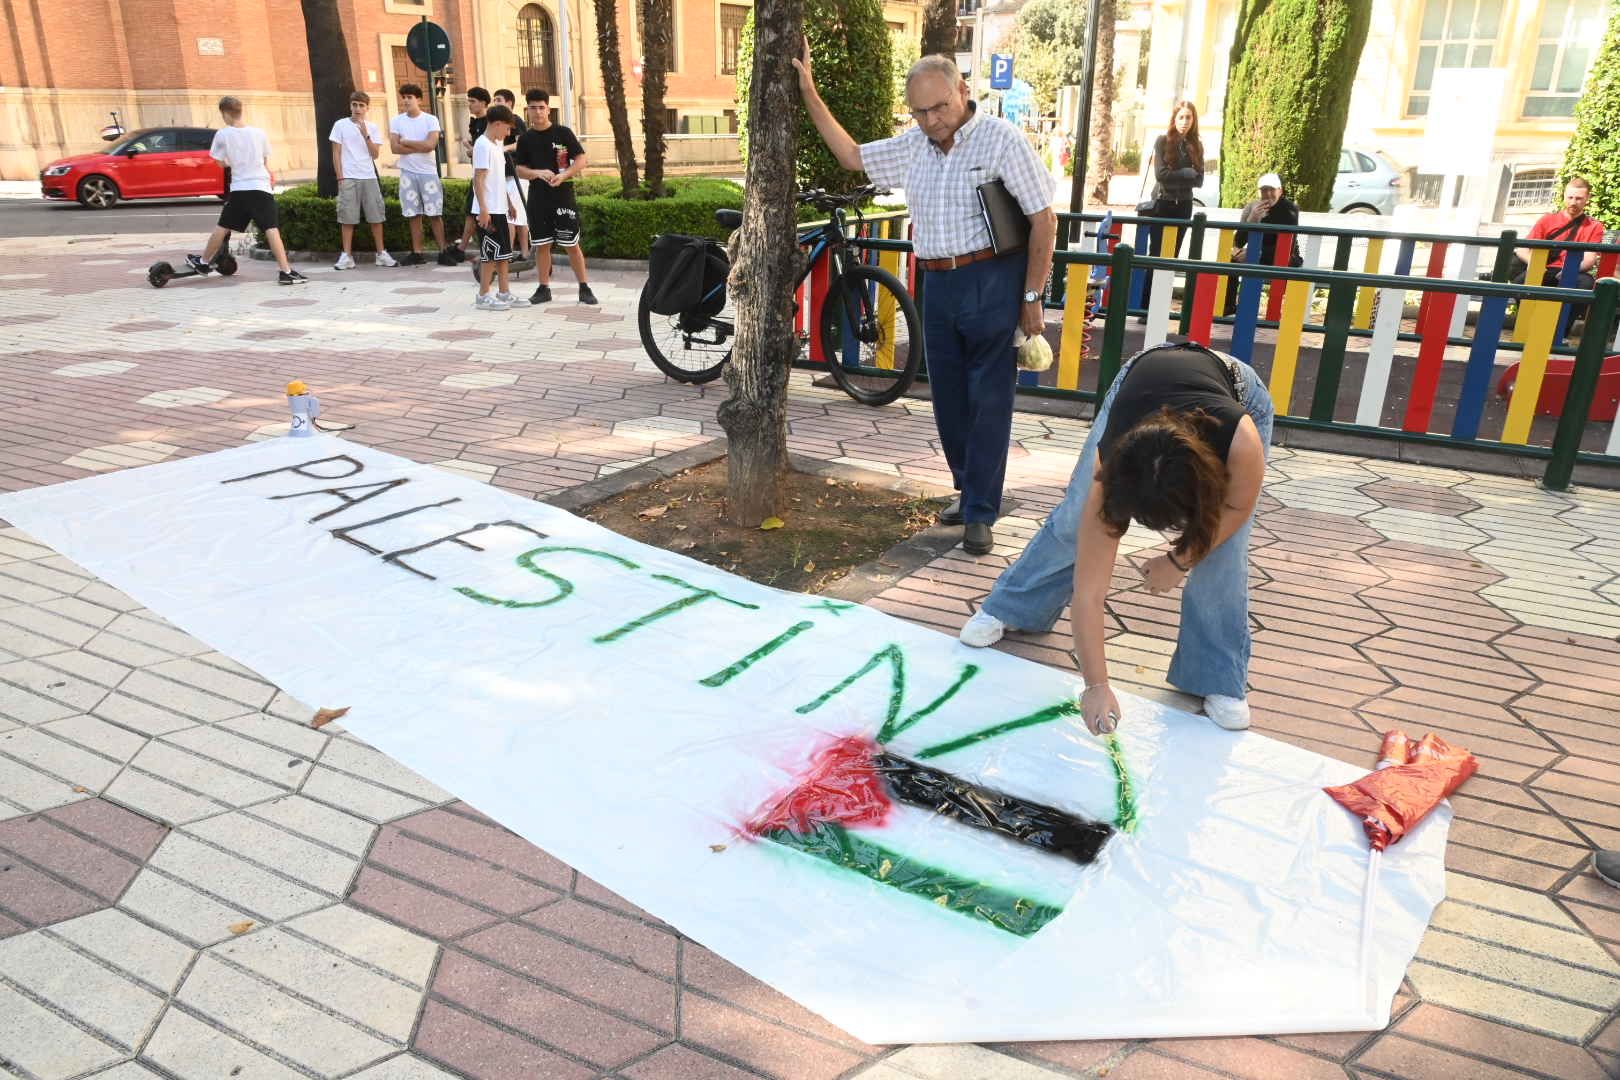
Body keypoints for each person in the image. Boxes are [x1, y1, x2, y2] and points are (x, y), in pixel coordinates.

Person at [796, 46, 1057, 556]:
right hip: (936, 283)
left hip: (992, 278)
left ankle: (981, 510)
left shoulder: (1001, 140)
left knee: (990, 400)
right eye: (920, 111)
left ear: (962, 91)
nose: (932, 120)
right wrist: (809, 91)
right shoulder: (913, 145)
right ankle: (969, 487)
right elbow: (851, 157)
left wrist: (1031, 296)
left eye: (940, 107)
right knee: (948, 400)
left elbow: (1043, 220)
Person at [959, 342, 1275, 734]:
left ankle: (1218, 677)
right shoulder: (1113, 463)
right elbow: (1089, 593)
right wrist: (1095, 685)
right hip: (1139, 382)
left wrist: (1179, 559)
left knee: (1224, 551)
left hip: (1238, 389)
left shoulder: (1239, 441)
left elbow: (1236, 508)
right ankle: (1014, 606)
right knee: (1078, 516)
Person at [185, 96, 305, 285]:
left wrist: (231, 162)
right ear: (241, 111)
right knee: (271, 229)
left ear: (225, 113)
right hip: (261, 187)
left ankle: (203, 262)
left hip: (240, 189)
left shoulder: (223, 135)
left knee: (223, 226)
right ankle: (286, 271)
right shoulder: (259, 133)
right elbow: (265, 162)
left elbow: (219, 162)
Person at [515, 89, 597, 306]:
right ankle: (543, 288)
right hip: (538, 199)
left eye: (541, 107)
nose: (538, 112)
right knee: (542, 244)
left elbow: (581, 159)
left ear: (548, 109)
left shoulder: (563, 133)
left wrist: (564, 175)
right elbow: (519, 169)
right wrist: (537, 173)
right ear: (527, 110)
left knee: (571, 243)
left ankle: (584, 287)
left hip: (563, 197)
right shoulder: (525, 139)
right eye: (533, 108)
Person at [1138, 101, 1203, 313]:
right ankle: (1146, 308)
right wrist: (1185, 174)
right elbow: (1161, 176)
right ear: (1174, 119)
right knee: (1156, 254)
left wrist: (1180, 176)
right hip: (1163, 204)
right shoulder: (1163, 141)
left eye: (1189, 117)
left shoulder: (1196, 145)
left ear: (1194, 120)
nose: (1184, 122)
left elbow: (1199, 179)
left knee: (1171, 256)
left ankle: (1160, 307)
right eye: (1181, 117)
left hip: (1184, 206)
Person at [470, 104, 531, 311]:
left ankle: (504, 292)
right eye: (507, 128)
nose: (508, 133)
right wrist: (483, 210)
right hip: (487, 210)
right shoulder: (482, 146)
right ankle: (483, 295)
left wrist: (509, 203)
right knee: (490, 255)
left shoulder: (496, 145)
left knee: (504, 254)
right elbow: (478, 179)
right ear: (497, 124)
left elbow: (497, 179)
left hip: (500, 208)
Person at [329, 91, 396, 270]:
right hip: (348, 176)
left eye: (361, 105)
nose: (357, 109)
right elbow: (336, 152)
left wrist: (366, 135)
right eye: (355, 105)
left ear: (367, 108)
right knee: (347, 217)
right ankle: (346, 256)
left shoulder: (372, 127)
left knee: (376, 217)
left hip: (369, 176)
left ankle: (381, 254)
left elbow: (375, 154)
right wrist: (340, 176)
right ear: (350, 106)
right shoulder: (340, 125)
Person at [1224, 172, 1301, 315]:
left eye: (1272, 190)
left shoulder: (1289, 210)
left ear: (1280, 191)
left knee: (1271, 261)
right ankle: (1228, 307)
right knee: (1230, 262)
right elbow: (1238, 241)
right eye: (1264, 190)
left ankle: (1274, 314)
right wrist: (1251, 220)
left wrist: (1255, 251)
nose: (1268, 194)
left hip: (1283, 255)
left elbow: (1288, 245)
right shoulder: (1253, 207)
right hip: (1257, 253)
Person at [388, 83, 447, 266]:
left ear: (419, 99)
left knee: (435, 214)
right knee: (413, 214)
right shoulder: (397, 121)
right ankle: (417, 252)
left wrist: (406, 142)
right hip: (407, 173)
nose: (406, 101)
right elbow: (394, 147)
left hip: (428, 173)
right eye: (404, 97)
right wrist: (417, 145)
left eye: (410, 97)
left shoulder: (430, 120)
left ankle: (443, 251)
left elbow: (430, 146)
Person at [1513, 176, 1606, 289]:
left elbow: (1589, 259)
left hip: (1571, 271)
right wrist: (1536, 266)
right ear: (1564, 196)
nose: (1573, 202)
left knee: (1586, 283)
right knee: (1518, 284)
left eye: (1578, 198)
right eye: (1570, 197)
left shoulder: (1595, 226)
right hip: (1542, 268)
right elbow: (1522, 250)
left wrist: (1568, 271)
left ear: (1587, 198)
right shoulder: (1547, 220)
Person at [450, 86, 493, 260]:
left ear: (483, 103)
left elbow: (487, 150)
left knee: (478, 211)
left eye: (473, 101)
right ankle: (462, 247)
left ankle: (465, 248)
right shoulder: (474, 122)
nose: (469, 105)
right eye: (468, 101)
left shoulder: (489, 123)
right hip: (477, 173)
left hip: (487, 175)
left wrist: (470, 148)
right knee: (471, 210)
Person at [492, 89, 530, 253]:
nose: (495, 103)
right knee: (513, 216)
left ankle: (513, 254)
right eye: (494, 100)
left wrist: (501, 149)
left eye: (499, 100)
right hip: (502, 175)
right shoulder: (495, 125)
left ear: (509, 103)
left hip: (516, 175)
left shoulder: (516, 121)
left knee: (515, 217)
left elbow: (520, 143)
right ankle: (519, 253)